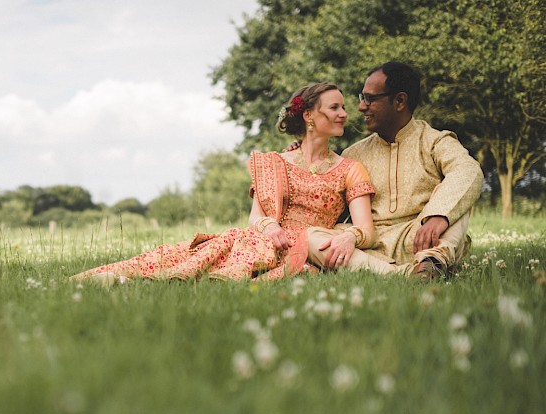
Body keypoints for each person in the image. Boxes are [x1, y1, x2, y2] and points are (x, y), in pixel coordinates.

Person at [72, 82, 378, 284]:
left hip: (310, 248)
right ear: (310, 115)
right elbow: (256, 216)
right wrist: (271, 228)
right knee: (176, 260)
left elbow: (366, 228)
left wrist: (350, 237)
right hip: (266, 240)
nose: (344, 114)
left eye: (343, 107)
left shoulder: (350, 168)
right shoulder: (273, 162)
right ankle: (107, 279)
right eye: (335, 107)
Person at [307, 62, 484, 278]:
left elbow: (469, 170)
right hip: (369, 243)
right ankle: (407, 275)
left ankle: (430, 263)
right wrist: (302, 157)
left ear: (400, 101)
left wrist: (438, 217)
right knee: (310, 236)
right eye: (362, 98)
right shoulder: (354, 154)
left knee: (457, 202)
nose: (362, 107)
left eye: (370, 99)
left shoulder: (434, 141)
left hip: (421, 238)